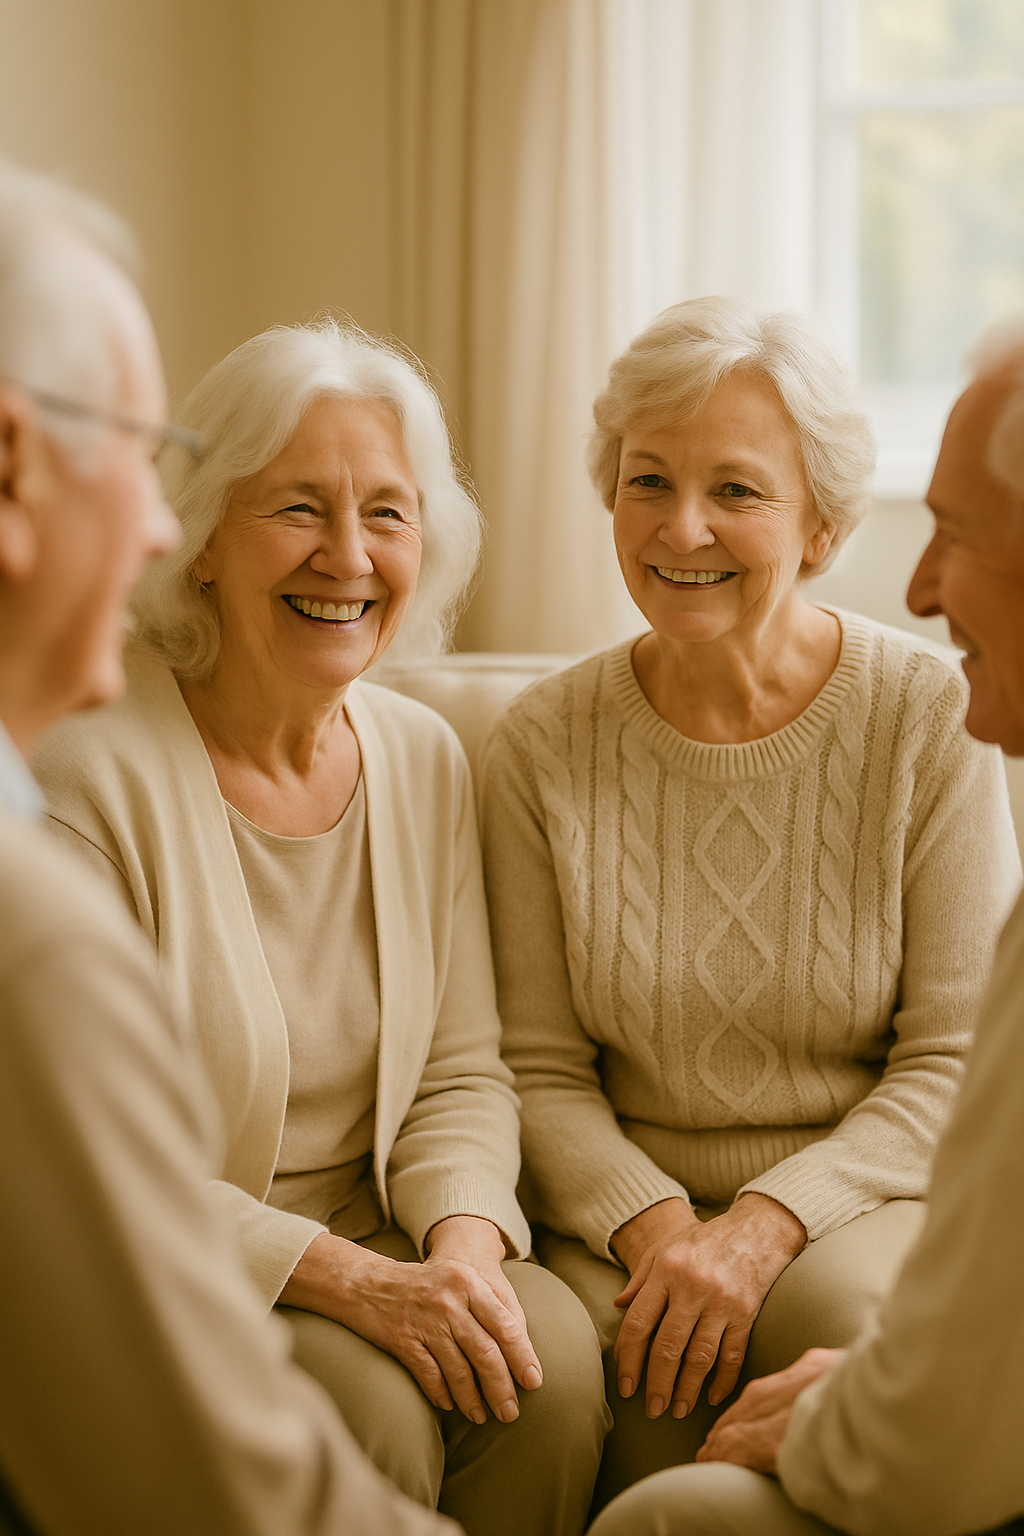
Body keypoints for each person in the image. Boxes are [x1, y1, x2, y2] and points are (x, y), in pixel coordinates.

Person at [33, 320, 608, 1536]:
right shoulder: (87, 771)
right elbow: (96, 1167)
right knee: (376, 1415)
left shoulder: (424, 757)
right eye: (297, 508)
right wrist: (350, 1283)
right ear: (201, 539)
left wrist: (459, 1255)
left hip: (390, 1229)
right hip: (186, 1259)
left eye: (387, 514)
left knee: (546, 1372)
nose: (347, 556)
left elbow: (460, 1071)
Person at [480, 295, 1021, 1507]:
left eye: (735, 490)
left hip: (856, 1199)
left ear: (822, 523)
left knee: (839, 1333)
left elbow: (953, 1058)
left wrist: (765, 1224)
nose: (682, 528)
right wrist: (660, 1231)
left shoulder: (928, 715)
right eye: (647, 481)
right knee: (567, 1391)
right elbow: (535, 1067)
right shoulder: (537, 746)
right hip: (621, 1215)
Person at [0, 157, 456, 1536]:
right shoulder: (29, 929)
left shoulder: (423, 756)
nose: (157, 521)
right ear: (13, 464)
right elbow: (216, 1497)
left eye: (385, 511)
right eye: (141, 459)